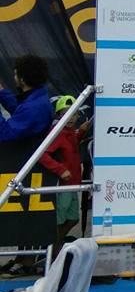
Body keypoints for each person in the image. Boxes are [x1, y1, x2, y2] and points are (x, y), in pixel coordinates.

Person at [0, 55, 54, 277]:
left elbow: (8, 132)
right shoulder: (35, 100)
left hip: (26, 170)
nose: (13, 77)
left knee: (28, 219)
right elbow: (20, 112)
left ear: (22, 77)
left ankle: (26, 261)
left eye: (15, 73)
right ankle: (22, 259)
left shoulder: (37, 106)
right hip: (23, 168)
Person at [38, 96, 89, 258]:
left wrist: (81, 132)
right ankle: (51, 252)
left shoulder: (69, 133)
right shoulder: (58, 132)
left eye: (73, 113)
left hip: (73, 185)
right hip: (63, 186)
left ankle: (54, 248)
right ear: (59, 115)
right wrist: (60, 170)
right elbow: (42, 155)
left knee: (73, 219)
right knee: (60, 221)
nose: (70, 117)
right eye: (65, 113)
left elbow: (71, 146)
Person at [0, 55, 53, 142]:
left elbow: (4, 132)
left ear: (22, 80)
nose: (14, 78)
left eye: (16, 75)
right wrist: (1, 91)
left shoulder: (34, 108)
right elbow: (19, 109)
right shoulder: (38, 98)